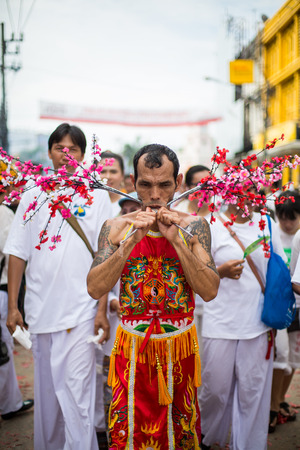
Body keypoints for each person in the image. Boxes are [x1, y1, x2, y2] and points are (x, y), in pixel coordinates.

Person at [87, 144, 220, 448]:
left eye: (164, 184)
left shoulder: (194, 226)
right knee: (128, 431)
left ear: (179, 182)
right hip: (131, 351)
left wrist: (177, 242)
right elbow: (95, 287)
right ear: (133, 182)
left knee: (182, 430)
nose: (155, 194)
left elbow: (210, 290)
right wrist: (131, 240)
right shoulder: (115, 227)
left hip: (180, 350)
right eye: (146, 184)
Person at [5, 123, 112, 450]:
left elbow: (108, 255)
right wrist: (13, 306)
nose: (66, 155)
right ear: (49, 152)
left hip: (81, 313)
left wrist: (102, 308)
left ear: (83, 154)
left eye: (73, 149)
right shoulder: (32, 195)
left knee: (78, 400)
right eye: (59, 148)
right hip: (41, 313)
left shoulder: (96, 194)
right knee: (49, 401)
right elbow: (17, 252)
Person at [199, 197, 285, 450]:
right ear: (227, 191)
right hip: (220, 322)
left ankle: (248, 445)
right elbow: (197, 271)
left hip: (258, 323)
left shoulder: (267, 224)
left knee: (252, 392)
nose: (245, 195)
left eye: (250, 188)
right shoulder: (211, 224)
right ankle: (206, 438)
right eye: (238, 188)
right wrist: (220, 271)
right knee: (215, 390)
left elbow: (280, 269)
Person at [0, 179, 34, 420]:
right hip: (2, 290)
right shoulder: (3, 212)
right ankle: (9, 404)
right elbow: (11, 250)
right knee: (2, 350)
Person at [269, 190, 300, 431]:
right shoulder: (271, 232)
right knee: (279, 355)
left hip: (297, 306)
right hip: (279, 304)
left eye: (293, 217)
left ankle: (279, 400)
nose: (287, 223)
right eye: (283, 217)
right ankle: (273, 404)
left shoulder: (299, 237)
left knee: (292, 359)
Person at [100, 150, 125, 216]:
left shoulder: (129, 206)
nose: (108, 177)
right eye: (102, 172)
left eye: (113, 172)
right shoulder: (84, 204)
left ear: (122, 175)